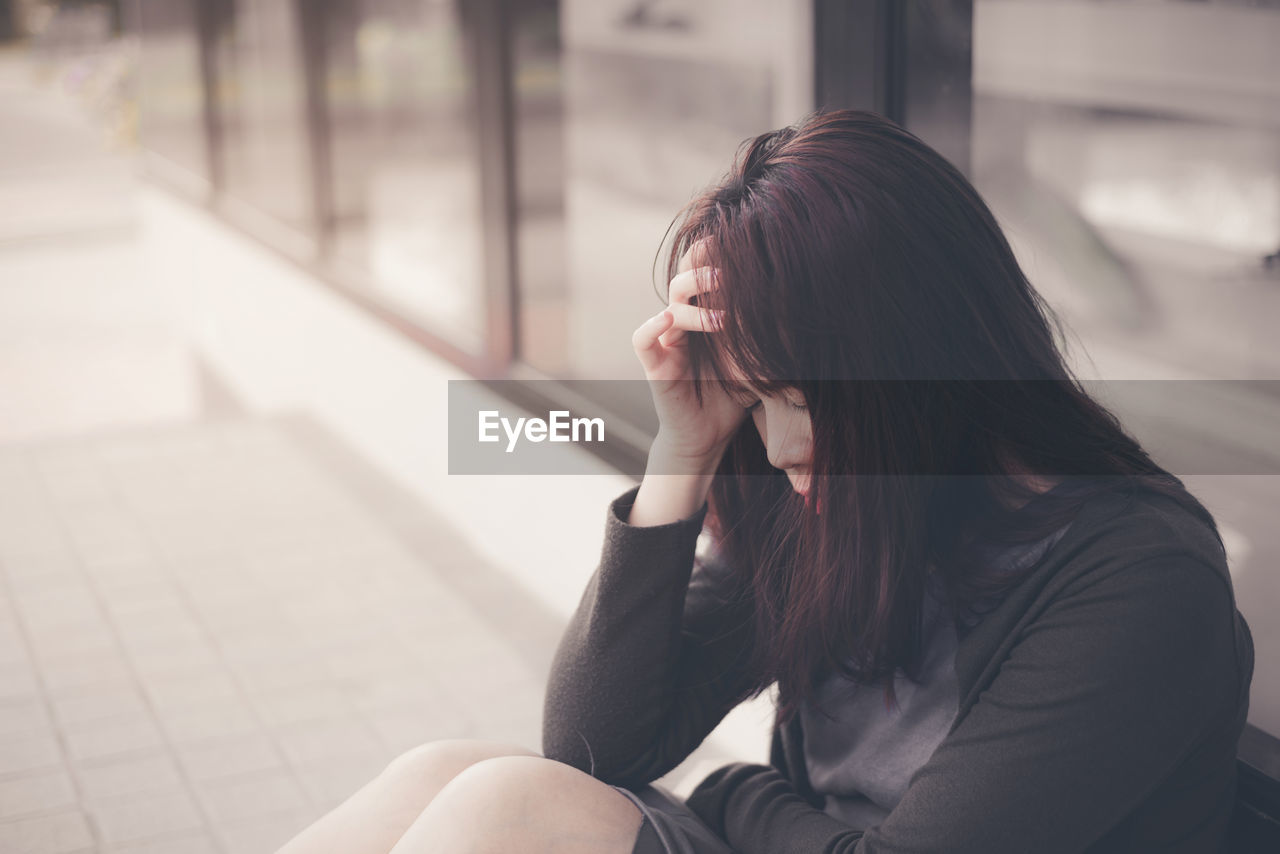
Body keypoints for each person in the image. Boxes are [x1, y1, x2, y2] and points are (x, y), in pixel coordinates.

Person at [274, 109, 1254, 854]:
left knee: (507, 803)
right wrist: (682, 452)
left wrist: (726, 791)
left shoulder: (1135, 580)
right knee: (446, 772)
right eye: (751, 399)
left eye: (797, 395)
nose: (779, 448)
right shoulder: (843, 505)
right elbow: (588, 743)